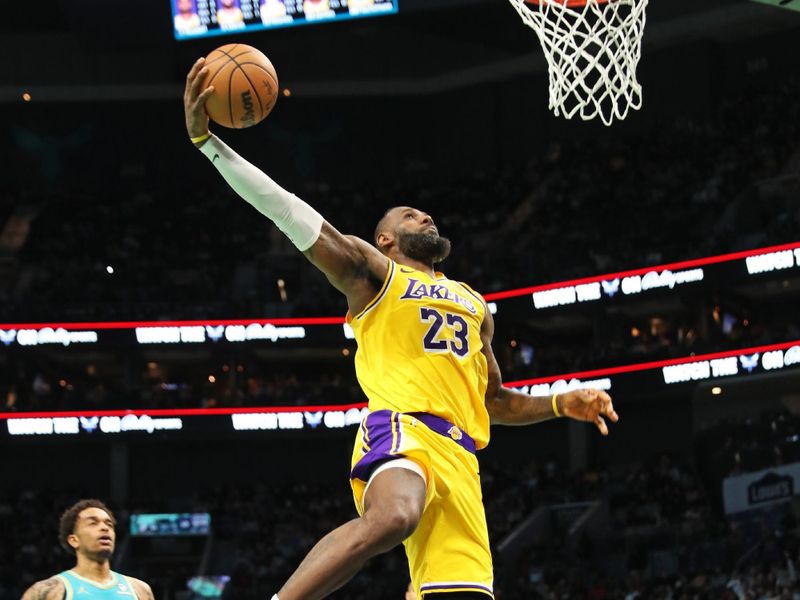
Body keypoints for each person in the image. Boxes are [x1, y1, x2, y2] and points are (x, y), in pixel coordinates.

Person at [184, 58, 619, 600]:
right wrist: (210, 145)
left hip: (462, 461)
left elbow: (496, 401)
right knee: (394, 517)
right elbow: (288, 211)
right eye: (410, 216)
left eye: (426, 215)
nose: (425, 218)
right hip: (402, 430)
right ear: (385, 240)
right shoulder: (375, 275)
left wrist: (561, 403)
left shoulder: (474, 303)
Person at [20, 499, 155, 599]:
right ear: (74, 540)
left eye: (109, 524)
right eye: (93, 523)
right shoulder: (48, 591)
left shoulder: (140, 590)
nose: (104, 528)